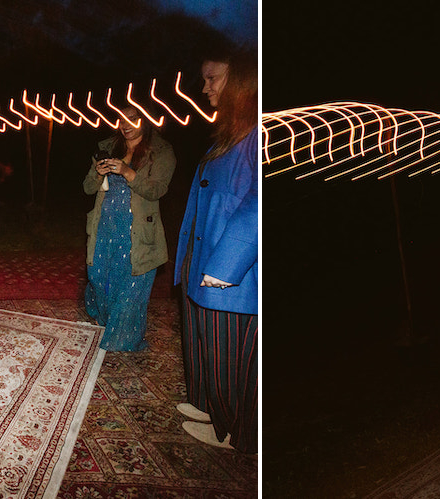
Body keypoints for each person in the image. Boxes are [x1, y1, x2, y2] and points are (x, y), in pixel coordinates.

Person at [173, 48, 258, 452]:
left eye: (213, 78)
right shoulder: (232, 132)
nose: (204, 87)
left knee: (229, 349)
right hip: (202, 259)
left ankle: (233, 431)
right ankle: (210, 406)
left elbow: (259, 202)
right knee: (203, 339)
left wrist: (226, 264)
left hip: (229, 270)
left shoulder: (259, 133)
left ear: (241, 80)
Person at [83, 106, 175, 351]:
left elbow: (157, 190)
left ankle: (122, 338)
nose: (125, 124)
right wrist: (96, 172)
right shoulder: (107, 145)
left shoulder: (162, 151)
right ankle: (104, 318)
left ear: (147, 119)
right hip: (104, 225)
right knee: (99, 277)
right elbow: (88, 188)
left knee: (130, 285)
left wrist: (128, 172)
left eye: (132, 118)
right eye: (121, 118)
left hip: (137, 230)